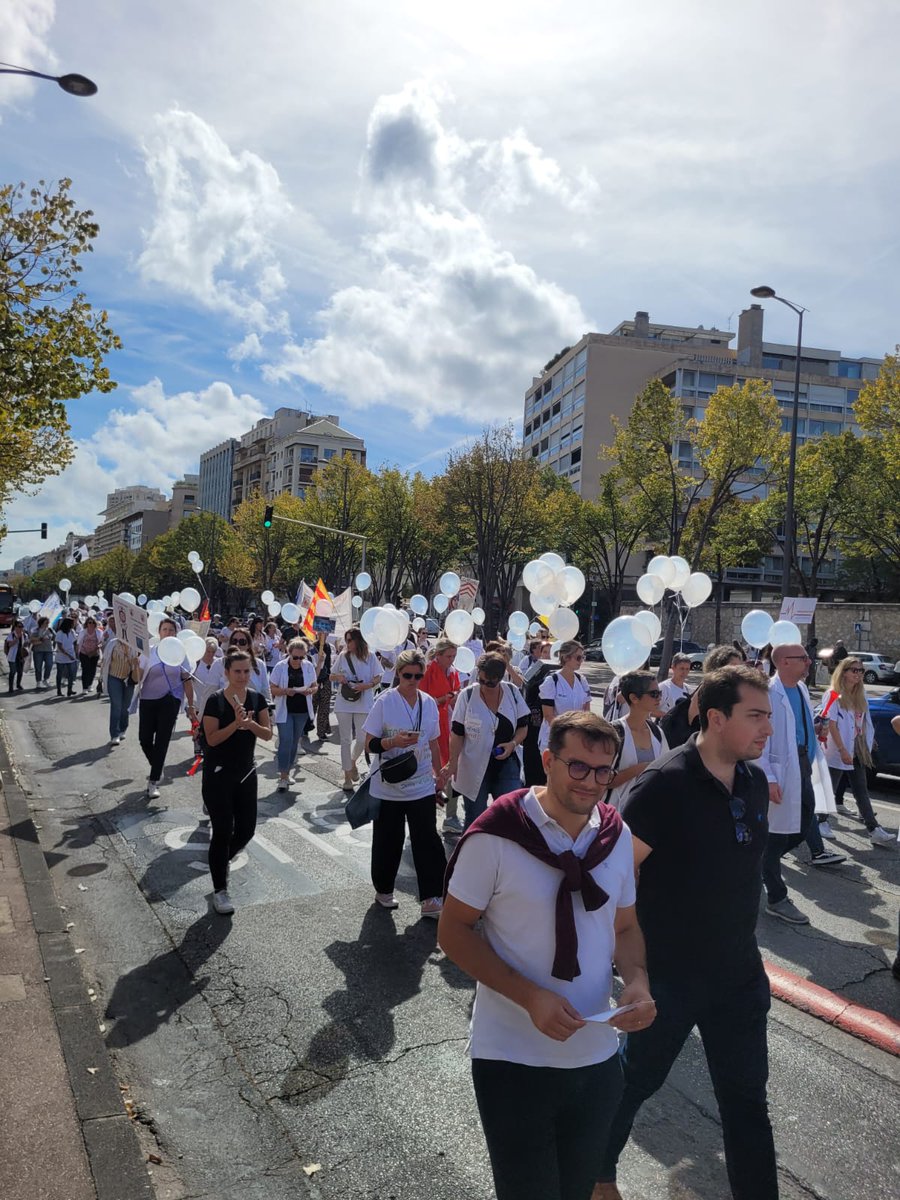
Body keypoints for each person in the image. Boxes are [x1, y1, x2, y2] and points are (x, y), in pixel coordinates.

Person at [439, 711, 653, 1200]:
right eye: (577, 767)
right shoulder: (497, 834)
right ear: (547, 760)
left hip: (596, 1057)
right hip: (513, 1058)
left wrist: (638, 981)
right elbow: (452, 932)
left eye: (602, 771)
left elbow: (624, 926)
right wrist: (530, 996)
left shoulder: (616, 834)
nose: (591, 782)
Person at [594, 666, 779, 1200]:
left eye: (767, 716)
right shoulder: (664, 784)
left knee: (747, 1103)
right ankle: (596, 1174)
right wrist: (629, 973)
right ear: (716, 718)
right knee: (634, 1083)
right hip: (670, 978)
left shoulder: (752, 781)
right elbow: (615, 881)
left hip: (739, 977)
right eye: (756, 716)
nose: (767, 728)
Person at [759, 643, 843, 926]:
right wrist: (769, 777)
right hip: (781, 769)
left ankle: (761, 863)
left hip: (803, 765)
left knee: (803, 822)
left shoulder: (802, 689)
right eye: (803, 658)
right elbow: (759, 739)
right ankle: (777, 897)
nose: (809, 662)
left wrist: (814, 729)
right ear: (784, 662)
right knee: (775, 834)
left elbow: (796, 726)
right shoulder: (768, 694)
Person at [362, 648, 447, 918]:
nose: (413, 680)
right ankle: (384, 889)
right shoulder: (384, 702)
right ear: (398, 673)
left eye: (418, 676)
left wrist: (439, 775)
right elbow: (369, 744)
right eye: (407, 675)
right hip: (390, 785)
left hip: (421, 783)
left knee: (427, 839)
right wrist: (393, 742)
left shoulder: (428, 703)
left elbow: (433, 742)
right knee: (388, 839)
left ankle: (431, 897)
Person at [201, 647, 272, 915]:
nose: (242, 676)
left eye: (246, 671)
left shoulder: (256, 698)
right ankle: (220, 889)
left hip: (246, 773)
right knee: (222, 831)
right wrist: (235, 724)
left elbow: (267, 734)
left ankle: (220, 863)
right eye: (237, 671)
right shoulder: (216, 701)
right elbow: (212, 739)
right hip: (218, 774)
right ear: (227, 672)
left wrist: (250, 724)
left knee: (246, 830)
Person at [449, 651, 530, 830]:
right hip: (473, 765)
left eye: (490, 682)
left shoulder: (512, 692)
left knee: (509, 815)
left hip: (507, 765)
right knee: (475, 818)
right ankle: (471, 848)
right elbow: (457, 733)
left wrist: (512, 744)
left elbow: (523, 727)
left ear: (500, 678)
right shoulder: (467, 696)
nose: (485, 685)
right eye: (481, 680)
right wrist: (452, 763)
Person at [820, 657, 894, 846]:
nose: (858, 674)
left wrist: (869, 739)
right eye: (854, 670)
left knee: (861, 789)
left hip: (857, 748)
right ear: (843, 672)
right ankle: (821, 822)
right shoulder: (833, 694)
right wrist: (842, 749)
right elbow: (831, 724)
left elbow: (862, 721)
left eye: (861, 671)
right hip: (838, 749)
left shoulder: (861, 695)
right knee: (831, 787)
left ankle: (873, 829)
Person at [137, 617, 197, 799]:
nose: (168, 632)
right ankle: (158, 765)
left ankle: (153, 781)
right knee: (145, 739)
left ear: (176, 633)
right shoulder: (149, 652)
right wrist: (134, 663)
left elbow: (187, 680)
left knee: (162, 740)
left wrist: (191, 705)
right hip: (148, 699)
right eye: (165, 629)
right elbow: (136, 677)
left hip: (170, 700)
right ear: (159, 632)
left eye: (172, 630)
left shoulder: (181, 654)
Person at [660, 644, 743, 749]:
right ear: (719, 667)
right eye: (733, 665)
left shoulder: (731, 691)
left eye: (739, 667)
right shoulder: (708, 689)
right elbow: (692, 721)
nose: (737, 670)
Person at [607, 673, 668, 811]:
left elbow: (666, 771)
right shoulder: (614, 732)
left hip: (647, 814)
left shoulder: (657, 732)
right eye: (653, 694)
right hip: (615, 815)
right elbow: (601, 779)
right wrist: (641, 768)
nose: (659, 698)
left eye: (659, 693)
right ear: (634, 698)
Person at [332, 627, 382, 791]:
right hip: (344, 701)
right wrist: (339, 677)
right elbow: (331, 675)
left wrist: (367, 685)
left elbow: (378, 677)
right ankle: (347, 776)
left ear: (358, 640)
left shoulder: (371, 656)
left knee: (362, 739)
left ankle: (352, 762)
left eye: (350, 640)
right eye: (346, 640)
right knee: (345, 740)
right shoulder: (343, 656)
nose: (347, 643)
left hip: (364, 701)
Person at [421, 637, 462, 833]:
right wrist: (442, 699)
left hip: (451, 724)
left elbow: (457, 690)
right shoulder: (428, 670)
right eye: (448, 656)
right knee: (432, 768)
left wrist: (454, 696)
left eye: (454, 656)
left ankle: (451, 816)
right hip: (432, 725)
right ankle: (426, 814)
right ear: (438, 655)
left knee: (452, 766)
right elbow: (420, 698)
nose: (452, 659)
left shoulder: (453, 671)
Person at [270, 638, 318, 792]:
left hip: (302, 710)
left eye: (301, 657)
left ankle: (288, 771)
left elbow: (315, 685)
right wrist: (285, 691)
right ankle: (283, 776)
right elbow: (272, 688)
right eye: (295, 657)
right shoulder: (280, 666)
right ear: (289, 653)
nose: (298, 660)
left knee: (294, 743)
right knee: (285, 740)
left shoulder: (308, 666)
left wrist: (310, 690)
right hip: (285, 710)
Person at [538, 640, 591, 752]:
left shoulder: (582, 680)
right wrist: (567, 732)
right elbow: (548, 715)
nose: (581, 661)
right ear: (566, 657)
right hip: (554, 739)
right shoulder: (551, 682)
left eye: (582, 657)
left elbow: (587, 711)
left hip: (577, 738)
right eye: (578, 658)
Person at [100, 616, 140, 746]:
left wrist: (137, 662)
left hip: (129, 679)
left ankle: (123, 728)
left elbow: (139, 663)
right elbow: (106, 660)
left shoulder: (135, 646)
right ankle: (114, 734)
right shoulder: (112, 643)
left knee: (125, 706)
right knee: (116, 706)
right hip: (114, 678)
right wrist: (101, 676)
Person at [226, 627, 272, 706]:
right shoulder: (219, 663)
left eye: (242, 642)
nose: (237, 644)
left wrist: (270, 710)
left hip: (254, 709)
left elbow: (265, 691)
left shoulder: (259, 664)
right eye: (234, 641)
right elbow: (210, 692)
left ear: (248, 645)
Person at [312, 631, 333, 739]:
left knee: (324, 706)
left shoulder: (328, 647)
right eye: (321, 633)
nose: (323, 635)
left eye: (325, 633)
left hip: (326, 679)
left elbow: (329, 664)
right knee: (312, 705)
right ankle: (306, 727)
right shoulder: (312, 647)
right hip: (314, 680)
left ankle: (322, 731)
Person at [76, 615, 102, 695]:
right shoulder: (83, 632)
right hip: (84, 653)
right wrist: (77, 653)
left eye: (93, 622)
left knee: (92, 670)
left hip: (94, 653)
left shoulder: (99, 632)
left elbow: (101, 643)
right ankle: (84, 687)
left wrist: (95, 650)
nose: (91, 624)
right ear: (86, 623)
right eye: (89, 622)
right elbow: (78, 643)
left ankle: (90, 684)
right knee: (85, 670)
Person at [54, 616, 79, 697]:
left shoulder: (72, 631)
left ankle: (69, 690)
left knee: (71, 674)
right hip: (61, 656)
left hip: (71, 655)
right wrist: (68, 655)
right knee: (60, 673)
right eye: (72, 623)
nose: (74, 625)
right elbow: (60, 646)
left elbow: (75, 642)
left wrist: (76, 652)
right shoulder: (60, 633)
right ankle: (59, 690)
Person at [29, 617, 55, 690]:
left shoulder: (50, 629)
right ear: (42, 623)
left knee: (49, 665)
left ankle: (46, 679)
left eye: (48, 623)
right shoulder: (36, 630)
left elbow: (55, 637)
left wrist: (51, 637)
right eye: (46, 623)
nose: (47, 624)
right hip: (38, 651)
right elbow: (31, 639)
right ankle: (38, 681)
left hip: (48, 650)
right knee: (38, 667)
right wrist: (41, 639)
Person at [4, 619, 29, 693]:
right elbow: (10, 644)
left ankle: (18, 684)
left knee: (20, 672)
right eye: (19, 626)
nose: (20, 628)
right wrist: (17, 638)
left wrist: (27, 644)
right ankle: (11, 687)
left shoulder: (25, 635)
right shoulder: (11, 635)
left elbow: (26, 644)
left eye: (22, 627)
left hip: (21, 656)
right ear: (15, 627)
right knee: (13, 672)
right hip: (12, 656)